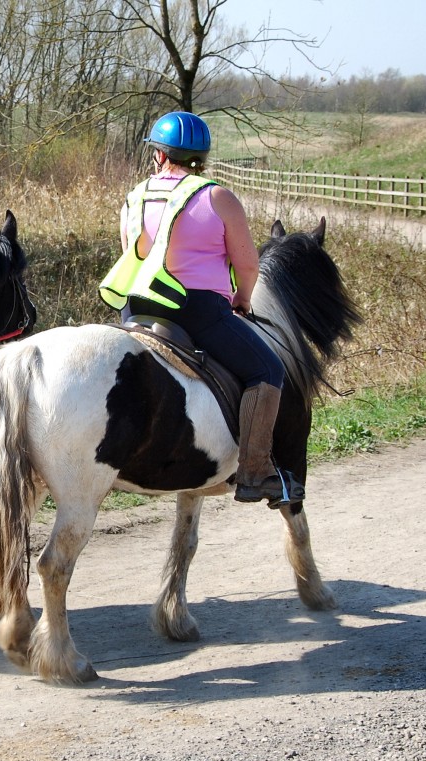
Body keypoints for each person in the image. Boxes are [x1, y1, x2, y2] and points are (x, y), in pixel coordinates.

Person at [99, 111, 302, 507]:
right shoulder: (217, 197)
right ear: (202, 158)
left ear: (159, 156)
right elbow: (246, 263)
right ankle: (255, 471)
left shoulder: (135, 197)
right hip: (196, 310)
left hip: (137, 309)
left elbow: (131, 253)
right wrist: (242, 297)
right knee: (267, 370)